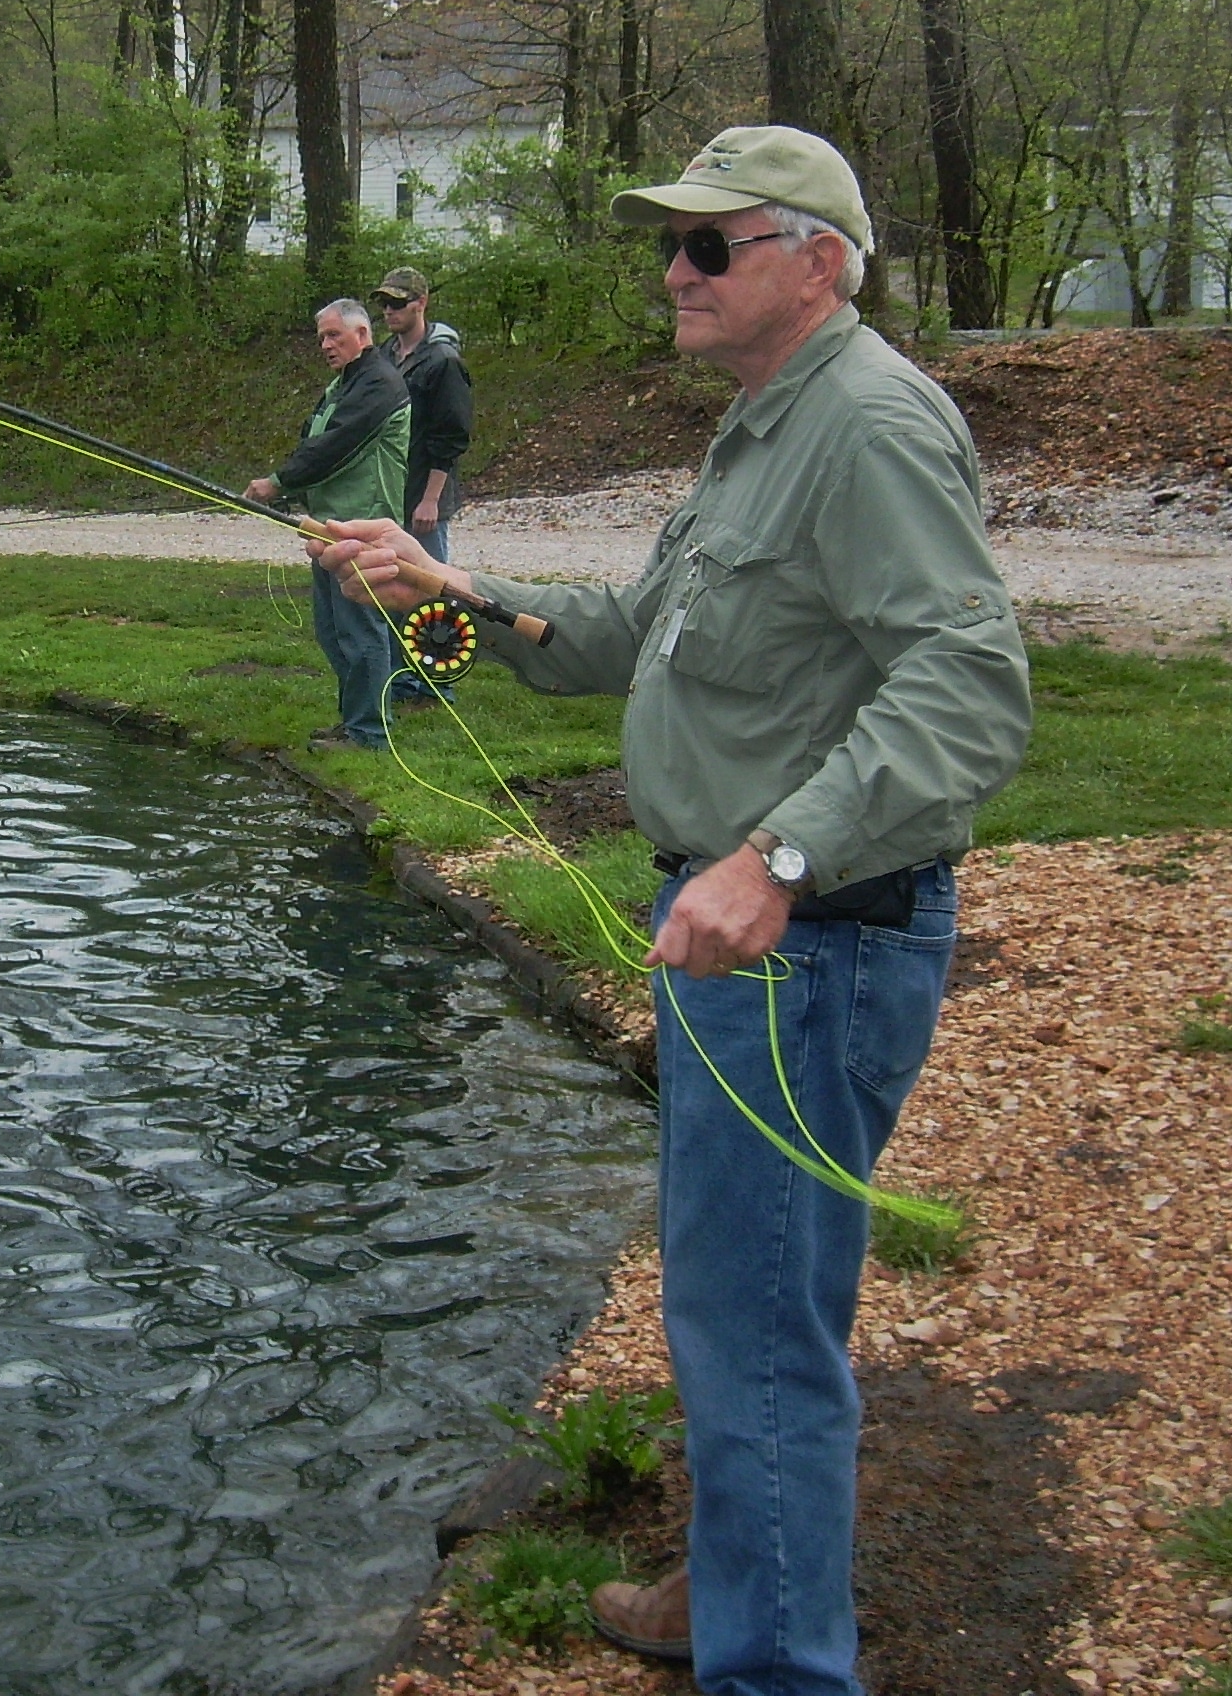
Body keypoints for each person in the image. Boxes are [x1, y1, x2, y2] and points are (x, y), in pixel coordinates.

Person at [308, 126, 1031, 1695]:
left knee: (758, 1328)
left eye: (715, 244)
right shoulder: (765, 426)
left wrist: (774, 859)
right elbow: (640, 631)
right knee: (741, 1301)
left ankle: (773, 1662)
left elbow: (971, 687)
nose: (675, 270)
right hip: (753, 947)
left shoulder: (874, 427)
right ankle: (741, 1587)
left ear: (820, 261)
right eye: (673, 244)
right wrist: (453, 592)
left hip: (808, 948)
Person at [247, 298, 413, 751]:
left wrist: (276, 483)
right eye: (321, 336)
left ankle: (369, 734)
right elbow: (315, 441)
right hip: (330, 529)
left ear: (362, 334)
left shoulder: (379, 383)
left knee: (362, 635)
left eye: (333, 335)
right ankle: (354, 720)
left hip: (363, 532)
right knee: (333, 633)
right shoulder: (344, 384)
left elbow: (336, 447)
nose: (325, 344)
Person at [373, 267, 473, 562]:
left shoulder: (444, 362)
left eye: (398, 303)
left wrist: (430, 501)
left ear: (422, 302)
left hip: (425, 496)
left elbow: (451, 436)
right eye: (384, 304)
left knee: (431, 588)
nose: (389, 311)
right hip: (392, 493)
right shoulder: (384, 354)